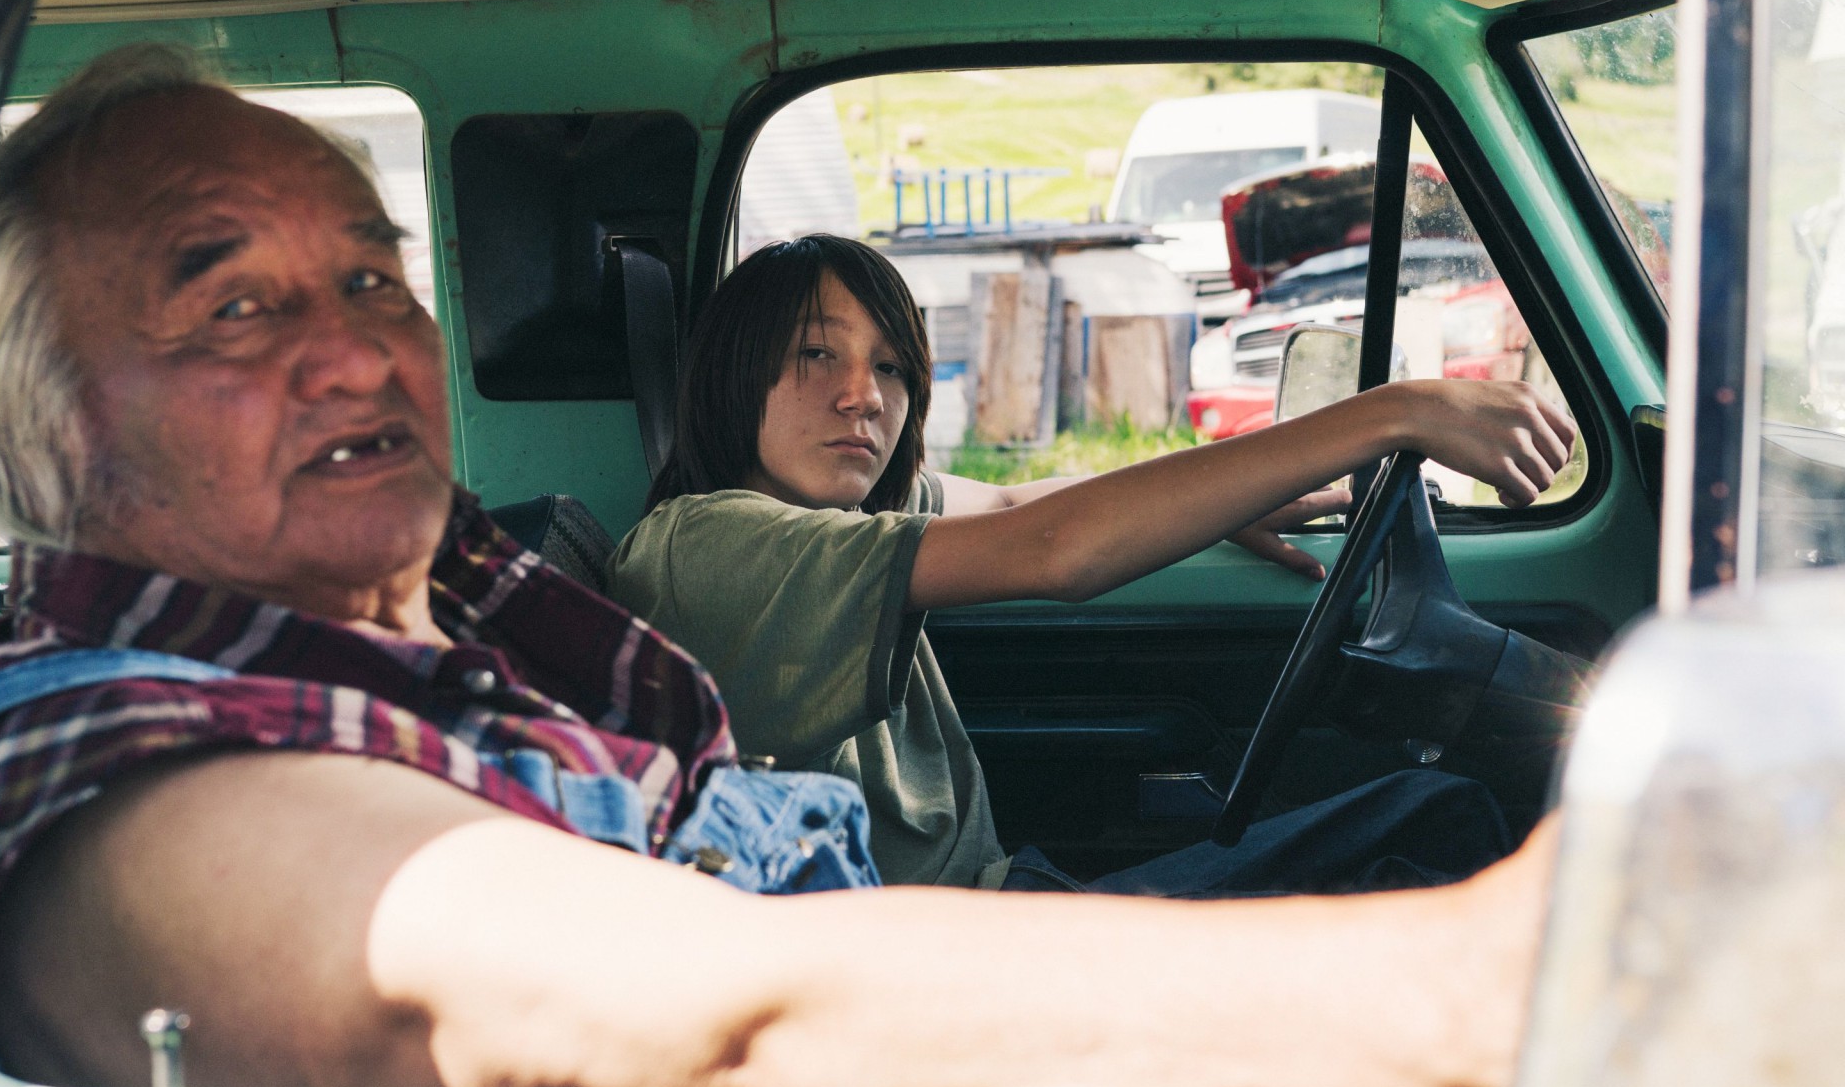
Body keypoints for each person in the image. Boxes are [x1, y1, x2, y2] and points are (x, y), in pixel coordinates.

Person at [0, 43, 1553, 1087]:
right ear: (41, 424)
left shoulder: (442, 597)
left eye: (371, 273)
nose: (355, 351)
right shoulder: (111, 763)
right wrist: (1486, 988)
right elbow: (674, 1006)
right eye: (231, 305)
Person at [609, 235, 1575, 895]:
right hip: (952, 968)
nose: (863, 395)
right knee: (1441, 826)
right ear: (736, 375)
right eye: (816, 355)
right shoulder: (711, 544)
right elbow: (1055, 550)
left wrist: (1229, 494)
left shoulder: (846, 508)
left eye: (893, 367)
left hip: (1000, 912)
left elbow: (1022, 500)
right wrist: (1394, 412)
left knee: (1430, 821)